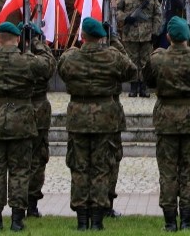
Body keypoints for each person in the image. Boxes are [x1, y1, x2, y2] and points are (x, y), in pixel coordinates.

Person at [58, 17, 137, 231]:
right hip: (105, 118)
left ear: (82, 36)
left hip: (79, 118)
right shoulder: (112, 56)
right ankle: (98, 221)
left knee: (79, 168)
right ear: (102, 37)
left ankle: (82, 220)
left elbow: (61, 70)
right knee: (102, 168)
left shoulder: (71, 58)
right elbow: (132, 70)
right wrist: (116, 42)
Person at [144, 16, 190, 231]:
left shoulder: (158, 59)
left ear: (168, 37)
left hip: (166, 118)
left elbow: (148, 80)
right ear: (187, 36)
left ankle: (169, 222)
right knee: (189, 170)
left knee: (167, 171)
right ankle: (186, 220)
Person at [0, 21, 51, 231]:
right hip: (21, 121)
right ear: (18, 39)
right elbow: (48, 66)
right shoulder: (26, 61)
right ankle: (17, 219)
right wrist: (36, 42)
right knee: (20, 171)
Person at [25, 27, 57, 219]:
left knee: (17, 163)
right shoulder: (38, 62)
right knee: (37, 159)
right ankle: (31, 204)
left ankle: (14, 204)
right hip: (39, 112)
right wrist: (39, 43)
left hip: (15, 113)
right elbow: (50, 65)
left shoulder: (6, 60)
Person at [116, 0, 162, 98]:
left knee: (146, 62)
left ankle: (144, 87)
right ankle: (133, 87)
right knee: (132, 61)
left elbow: (158, 13)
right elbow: (116, 10)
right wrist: (125, 18)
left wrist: (155, 31)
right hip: (131, 33)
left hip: (147, 34)